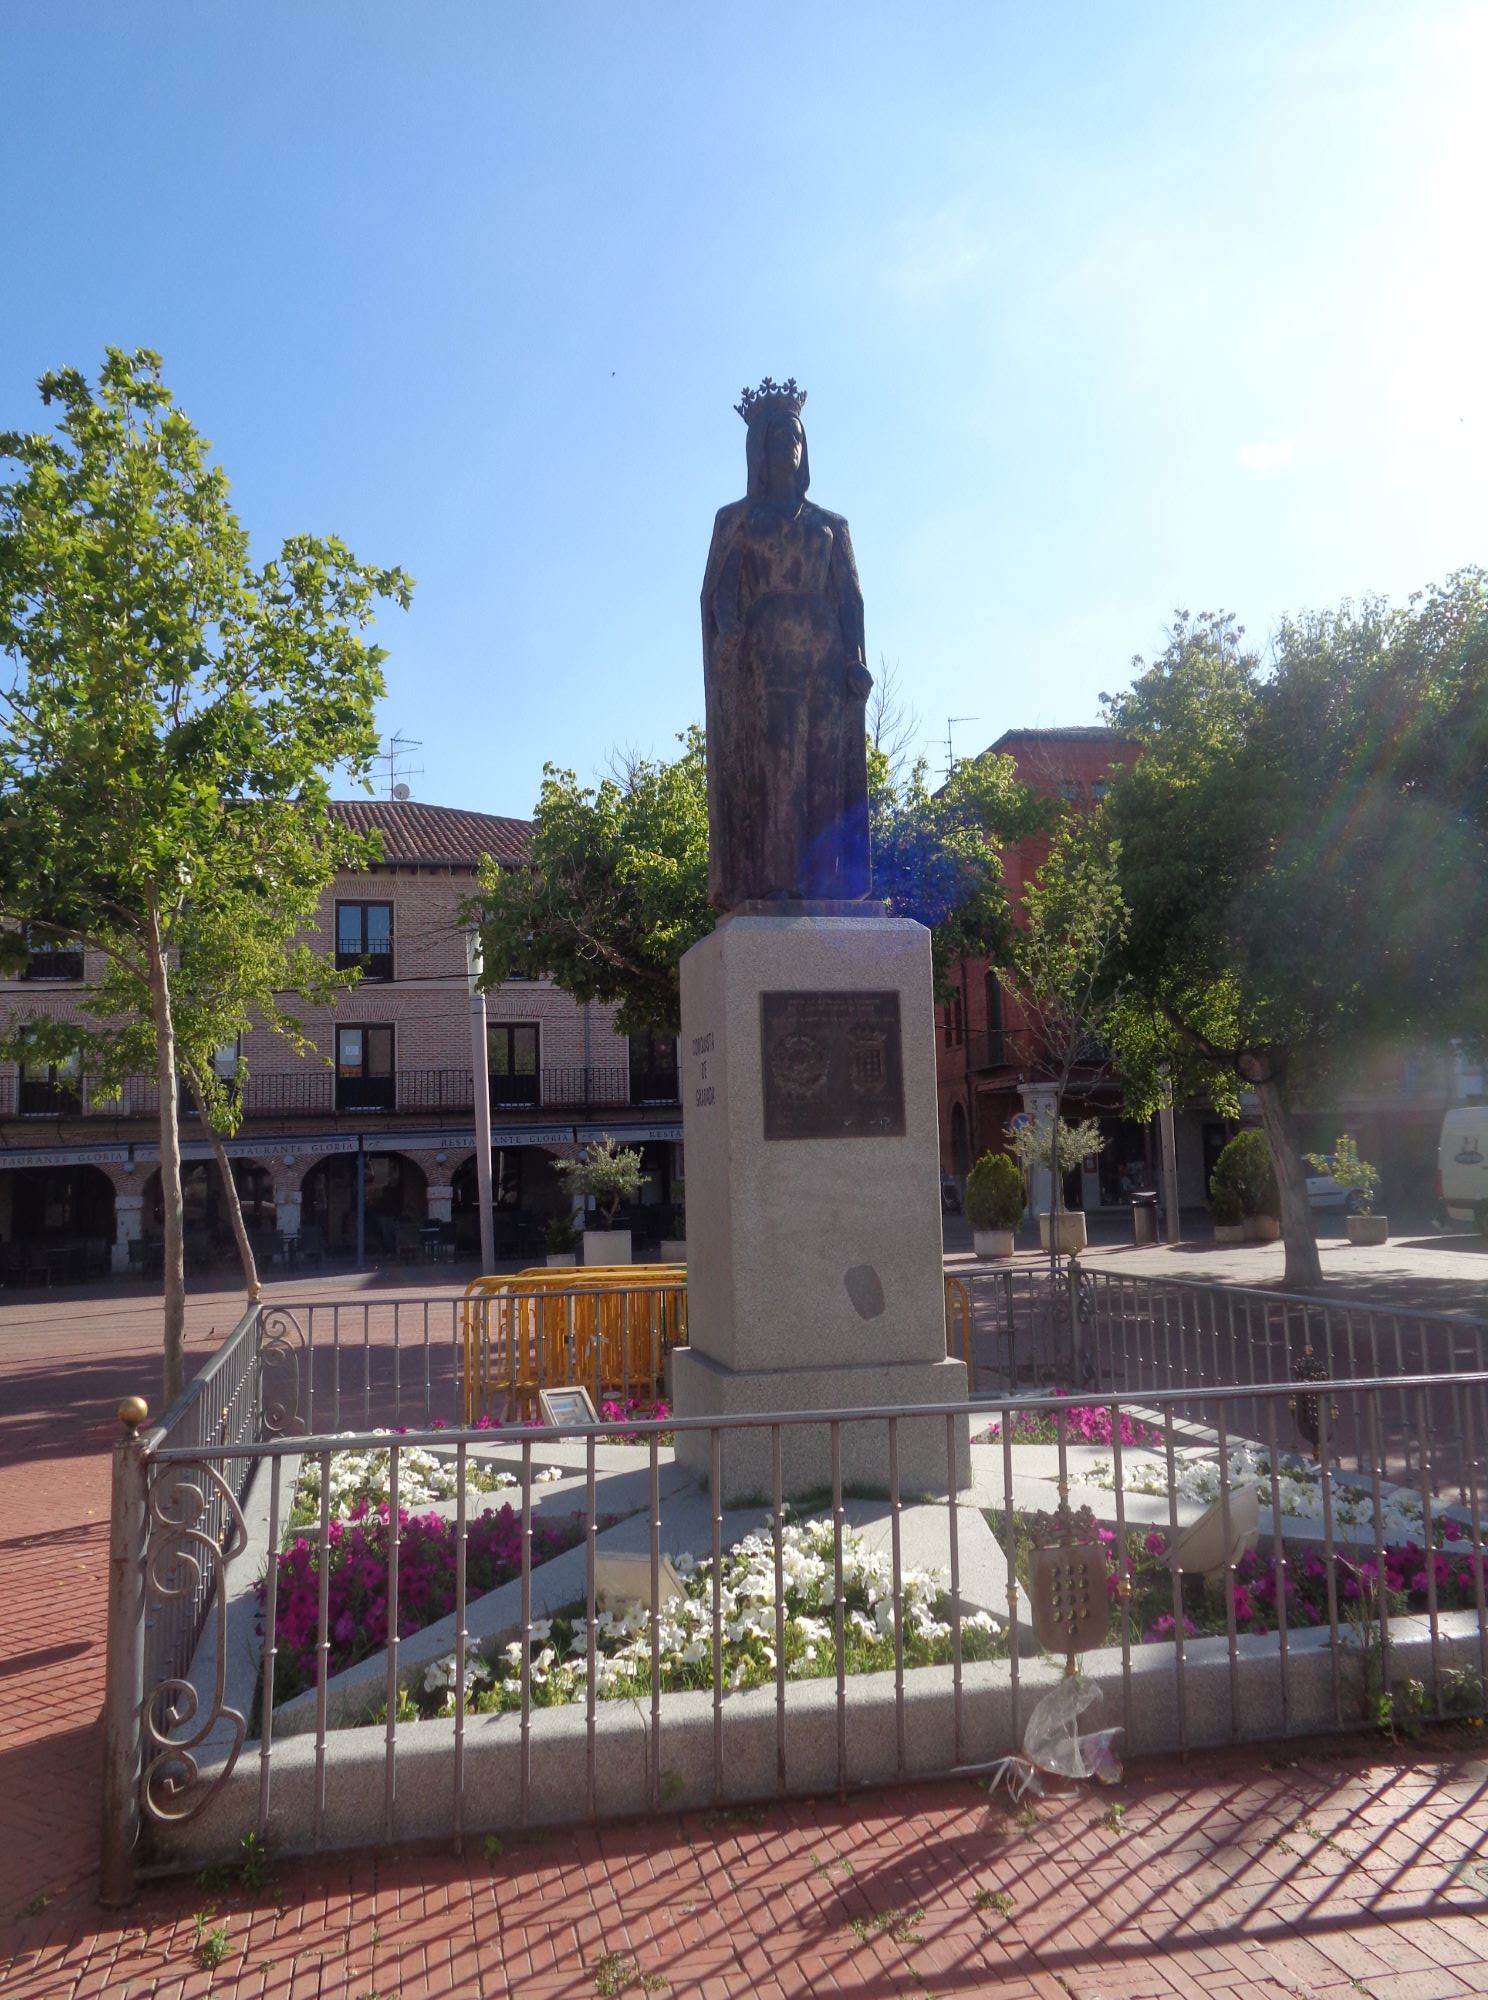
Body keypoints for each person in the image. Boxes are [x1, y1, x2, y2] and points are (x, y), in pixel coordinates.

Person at [701, 378, 873, 910]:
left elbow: (850, 597)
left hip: (823, 655)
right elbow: (717, 593)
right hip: (766, 659)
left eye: (796, 441)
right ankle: (779, 879)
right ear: (759, 452)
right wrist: (729, 631)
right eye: (778, 441)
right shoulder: (738, 520)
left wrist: (856, 658)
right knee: (778, 766)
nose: (788, 451)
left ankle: (825, 879)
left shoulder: (830, 525)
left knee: (824, 764)